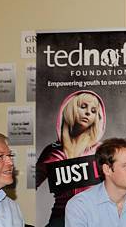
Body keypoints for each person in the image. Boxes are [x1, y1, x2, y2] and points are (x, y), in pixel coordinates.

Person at [36, 90, 106, 220]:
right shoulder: (52, 151)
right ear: (70, 108)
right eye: (83, 106)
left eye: (93, 111)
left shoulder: (101, 150)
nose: (88, 113)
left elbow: (125, 178)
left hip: (95, 221)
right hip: (60, 221)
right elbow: (29, 185)